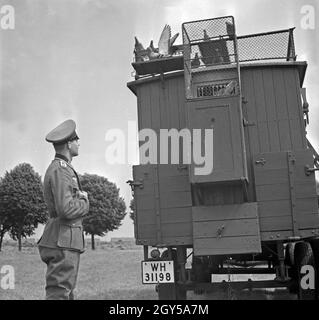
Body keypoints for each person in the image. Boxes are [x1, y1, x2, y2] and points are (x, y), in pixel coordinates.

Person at [38, 119, 89, 300]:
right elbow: (66, 209)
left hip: (64, 240)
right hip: (63, 241)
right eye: (77, 140)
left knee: (65, 293)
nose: (79, 143)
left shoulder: (63, 169)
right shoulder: (61, 170)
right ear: (69, 143)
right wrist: (84, 200)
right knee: (59, 294)